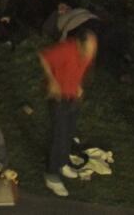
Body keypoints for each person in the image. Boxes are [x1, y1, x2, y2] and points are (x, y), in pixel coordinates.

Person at [39, 30, 97, 198]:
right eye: (89, 48)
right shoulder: (67, 49)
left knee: (69, 133)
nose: (91, 53)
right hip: (58, 98)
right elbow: (44, 57)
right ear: (80, 44)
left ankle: (63, 163)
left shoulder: (86, 54)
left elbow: (79, 69)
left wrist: (78, 85)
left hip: (72, 97)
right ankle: (51, 174)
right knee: (59, 135)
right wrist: (52, 80)